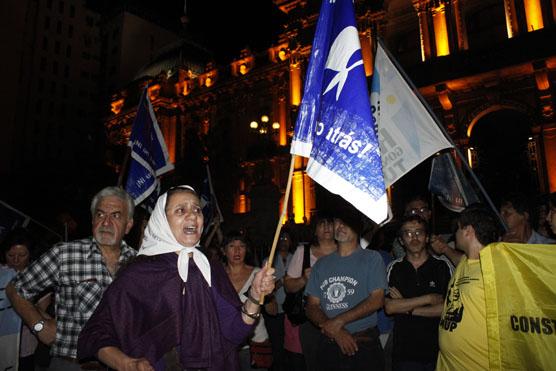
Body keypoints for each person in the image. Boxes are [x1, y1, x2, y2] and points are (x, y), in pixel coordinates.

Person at [77, 185, 275, 370]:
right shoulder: (140, 273)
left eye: (197, 210)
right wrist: (127, 363)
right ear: (162, 221)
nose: (192, 215)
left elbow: (234, 331)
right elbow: (96, 333)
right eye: (181, 210)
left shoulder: (209, 268)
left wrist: (255, 298)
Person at [6, 187, 136, 370]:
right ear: (92, 220)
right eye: (100, 215)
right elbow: (15, 289)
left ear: (128, 225)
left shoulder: (139, 263)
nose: (106, 222)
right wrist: (39, 328)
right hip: (71, 364)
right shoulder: (65, 254)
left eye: (115, 216)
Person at [305, 206, 387, 371]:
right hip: (330, 344)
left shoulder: (372, 258)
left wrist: (338, 322)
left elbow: (377, 299)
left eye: (346, 223)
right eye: (337, 222)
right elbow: (312, 306)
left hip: (363, 343)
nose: (340, 226)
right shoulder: (321, 265)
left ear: (358, 227)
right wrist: (335, 331)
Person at [436, 206, 502, 370]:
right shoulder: (465, 262)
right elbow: (460, 260)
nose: (455, 234)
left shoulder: (495, 269)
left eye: (458, 228)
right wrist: (444, 248)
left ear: (468, 231)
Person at [385, 216, 452, 371]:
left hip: (438, 351)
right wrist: (428, 298)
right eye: (408, 233)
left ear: (427, 237)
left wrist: (407, 307)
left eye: (418, 233)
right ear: (401, 240)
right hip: (404, 353)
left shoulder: (442, 266)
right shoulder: (395, 268)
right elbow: (389, 307)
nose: (414, 238)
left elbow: (447, 309)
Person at [284, 213, 337, 371]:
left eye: (330, 223)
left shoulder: (345, 250)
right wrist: (304, 279)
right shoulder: (303, 251)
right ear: (315, 230)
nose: (326, 227)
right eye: (322, 224)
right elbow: (288, 286)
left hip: (340, 315)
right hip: (311, 319)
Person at [1, 228, 50, 371]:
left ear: (31, 255)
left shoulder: (40, 280)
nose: (16, 260)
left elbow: (41, 315)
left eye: (22, 255)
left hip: (24, 348)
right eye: (11, 255)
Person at [222, 231, 270, 370]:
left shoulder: (258, 274)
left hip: (254, 344)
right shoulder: (217, 276)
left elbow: (272, 309)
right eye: (232, 246)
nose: (237, 250)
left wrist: (267, 296)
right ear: (224, 251)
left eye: (241, 246)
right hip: (227, 345)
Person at [263, 229, 294, 371]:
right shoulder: (269, 261)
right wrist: (283, 280)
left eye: (287, 239)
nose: (284, 241)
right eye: (281, 238)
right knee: (277, 343)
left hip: (292, 310)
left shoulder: (296, 258)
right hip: (276, 310)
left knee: (292, 345)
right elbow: (268, 288)